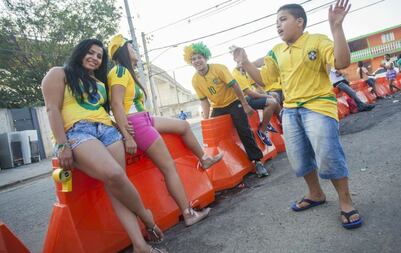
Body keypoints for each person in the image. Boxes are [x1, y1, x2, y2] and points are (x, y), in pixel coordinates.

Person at [232, 1, 363, 229]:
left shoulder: (318, 40)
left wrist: (336, 28)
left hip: (319, 106)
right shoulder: (276, 51)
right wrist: (244, 62)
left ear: (299, 21)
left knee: (329, 155)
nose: (278, 25)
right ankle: (315, 194)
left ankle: (346, 201)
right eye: (276, 22)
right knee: (299, 158)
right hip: (291, 111)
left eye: (283, 20)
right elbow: (264, 79)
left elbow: (342, 62)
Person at [41, 39, 166, 253]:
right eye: (90, 53)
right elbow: (52, 109)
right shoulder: (58, 73)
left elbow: (111, 108)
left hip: (108, 130)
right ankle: (147, 217)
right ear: (80, 52)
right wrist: (62, 145)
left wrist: (125, 131)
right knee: (115, 175)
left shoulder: (99, 83)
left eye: (99, 56)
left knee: (116, 187)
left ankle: (140, 245)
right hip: (77, 131)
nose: (94, 58)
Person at [107, 35, 222, 227]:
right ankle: (189, 214)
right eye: (130, 46)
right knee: (169, 168)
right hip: (136, 124)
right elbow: (116, 104)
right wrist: (127, 137)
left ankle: (205, 159)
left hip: (144, 119)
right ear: (122, 50)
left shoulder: (127, 72)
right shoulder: (119, 71)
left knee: (183, 126)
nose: (134, 49)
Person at [184, 42, 269, 178]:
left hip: (234, 102)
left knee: (243, 130)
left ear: (205, 58)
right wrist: (206, 119)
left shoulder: (219, 68)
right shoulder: (195, 80)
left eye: (199, 57)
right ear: (190, 62)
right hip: (218, 106)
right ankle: (219, 164)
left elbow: (235, 86)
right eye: (193, 59)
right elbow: (204, 101)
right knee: (213, 135)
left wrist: (245, 105)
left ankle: (257, 161)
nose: (196, 61)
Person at [232, 64, 281, 146]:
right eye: (238, 60)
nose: (241, 62)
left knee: (275, 95)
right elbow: (250, 93)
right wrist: (267, 96)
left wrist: (266, 94)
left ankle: (280, 122)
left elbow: (256, 85)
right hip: (244, 100)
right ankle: (262, 130)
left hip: (252, 97)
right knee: (272, 102)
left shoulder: (245, 70)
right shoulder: (236, 74)